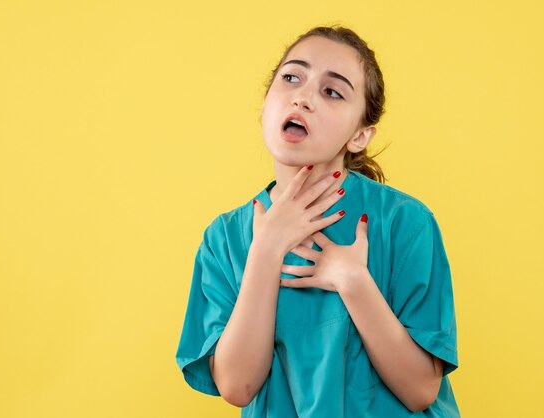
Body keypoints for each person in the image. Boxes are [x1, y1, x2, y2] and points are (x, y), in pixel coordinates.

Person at [175, 25, 460, 417]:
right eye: (291, 77)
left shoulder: (405, 224)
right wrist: (266, 250)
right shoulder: (225, 239)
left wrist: (354, 282)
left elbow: (421, 391)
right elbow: (237, 386)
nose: (303, 97)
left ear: (360, 135)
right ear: (266, 103)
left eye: (332, 91)